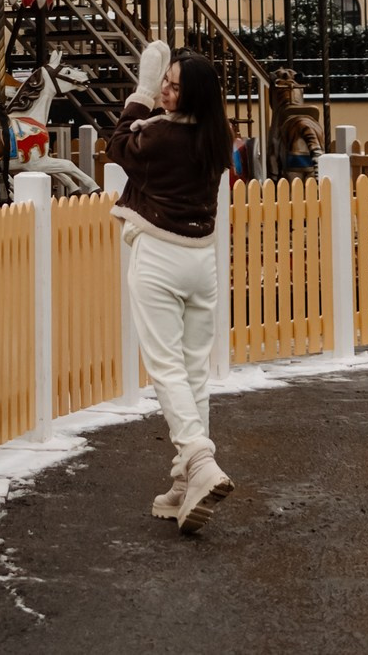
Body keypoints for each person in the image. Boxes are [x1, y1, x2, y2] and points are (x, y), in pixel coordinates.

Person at [106, 39, 235, 534]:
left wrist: (140, 91)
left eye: (175, 87)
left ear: (193, 95)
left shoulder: (158, 137)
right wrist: (159, 98)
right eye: (165, 81)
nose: (165, 91)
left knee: (165, 368)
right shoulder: (217, 136)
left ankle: (200, 460)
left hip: (159, 255)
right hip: (202, 260)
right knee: (194, 370)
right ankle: (185, 483)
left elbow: (118, 144)